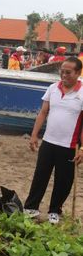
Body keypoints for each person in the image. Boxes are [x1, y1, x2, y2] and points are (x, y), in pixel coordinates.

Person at [24, 57, 83, 224]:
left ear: (78, 73)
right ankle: (31, 207)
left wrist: (82, 149)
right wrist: (34, 135)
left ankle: (55, 210)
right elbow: (43, 113)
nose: (64, 75)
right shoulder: (52, 88)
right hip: (48, 142)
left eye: (68, 72)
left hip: (69, 145)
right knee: (40, 176)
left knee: (63, 180)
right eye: (62, 71)